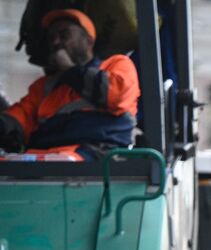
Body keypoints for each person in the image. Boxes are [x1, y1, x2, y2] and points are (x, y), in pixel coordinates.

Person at [0, 9, 139, 159]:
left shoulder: (116, 65)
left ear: (88, 40)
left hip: (95, 155)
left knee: (61, 161)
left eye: (64, 35)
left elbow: (115, 95)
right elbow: (19, 117)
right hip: (47, 156)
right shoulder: (44, 86)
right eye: (51, 37)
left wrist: (70, 69)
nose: (56, 42)